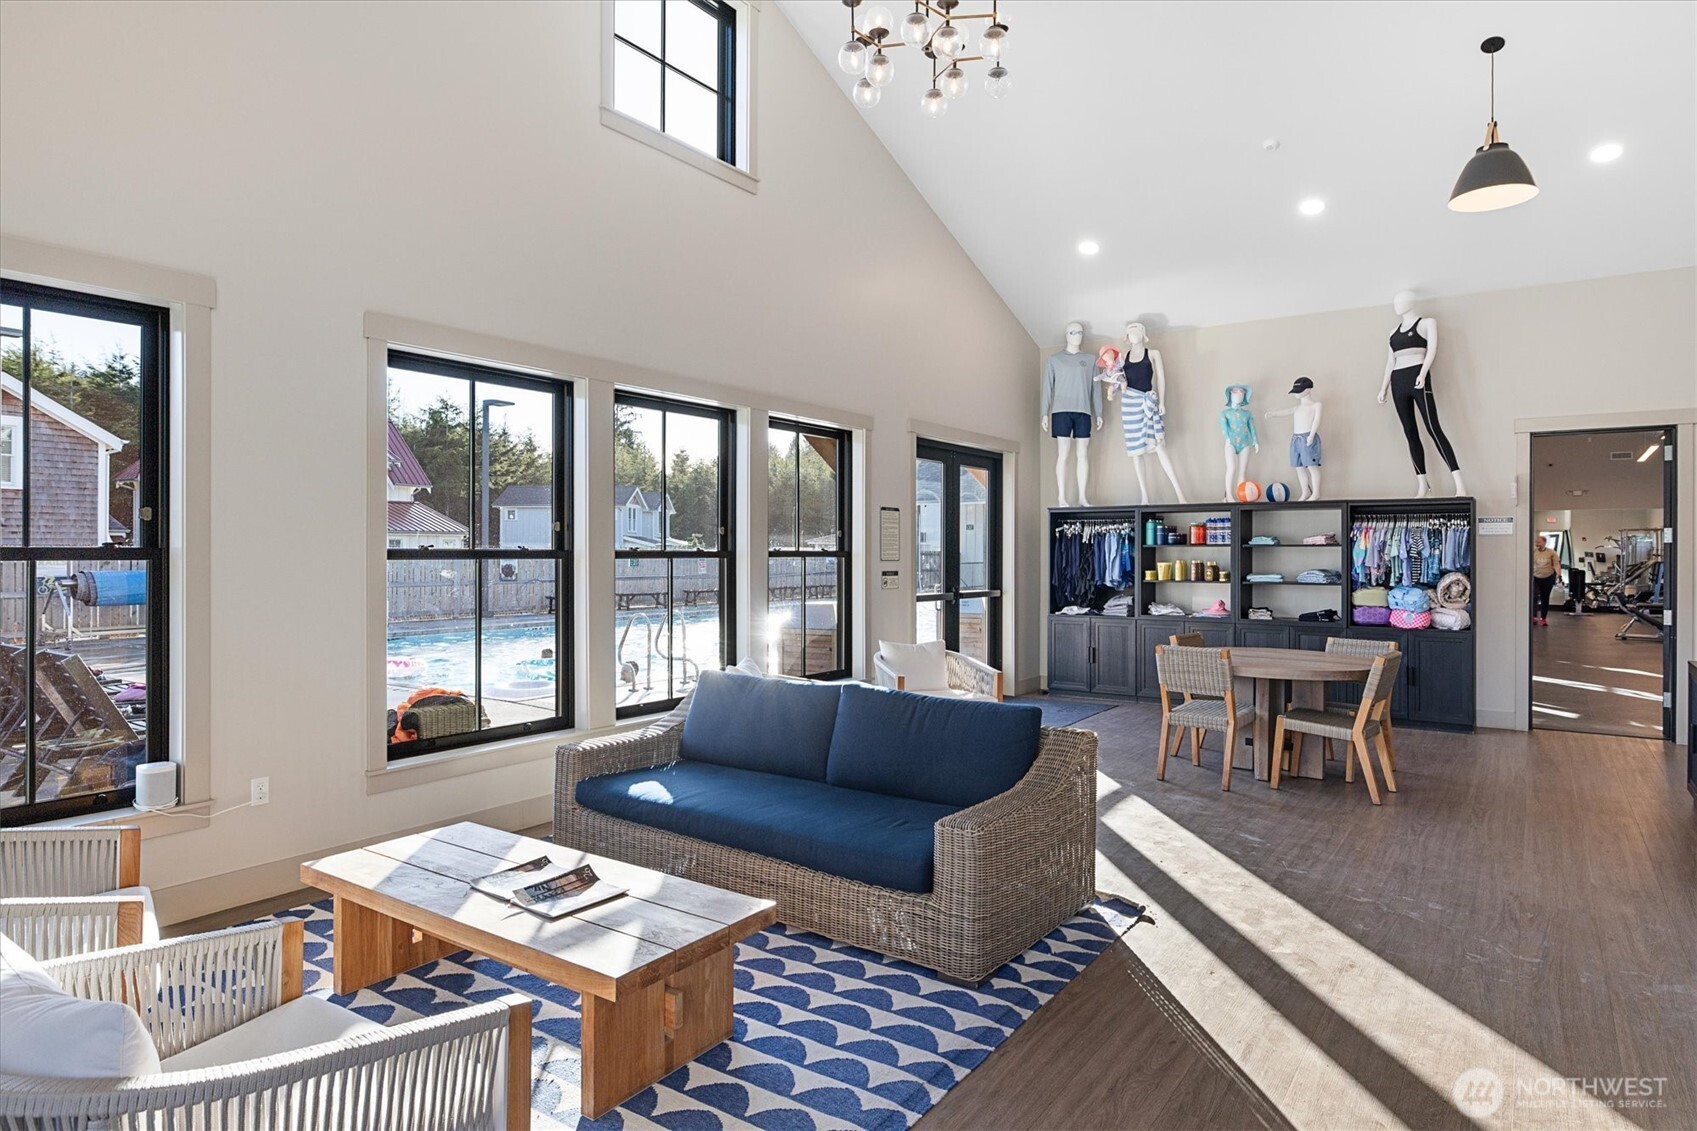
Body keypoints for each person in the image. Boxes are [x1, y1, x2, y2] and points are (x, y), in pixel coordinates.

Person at [1531, 535, 1560, 625]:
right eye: (1536, 542)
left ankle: (1543, 618)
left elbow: (1556, 564)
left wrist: (1559, 575)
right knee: (1534, 597)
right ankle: (1534, 617)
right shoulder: (1533, 552)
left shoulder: (1551, 552)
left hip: (1548, 578)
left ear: (1544, 542)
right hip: (1536, 577)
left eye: (1539, 542)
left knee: (1545, 598)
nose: (1537, 544)